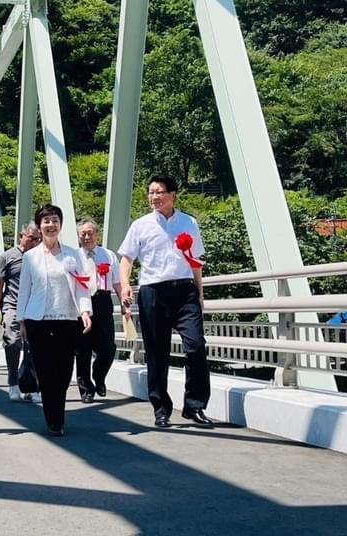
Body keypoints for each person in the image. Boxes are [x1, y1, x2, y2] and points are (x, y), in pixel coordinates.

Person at [118, 174, 212, 428]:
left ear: (172, 194)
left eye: (159, 192)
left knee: (195, 346)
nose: (154, 197)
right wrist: (125, 284)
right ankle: (161, 408)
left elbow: (196, 261)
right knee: (157, 353)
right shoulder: (141, 225)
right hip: (153, 292)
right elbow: (126, 258)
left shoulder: (188, 222)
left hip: (184, 291)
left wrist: (200, 292)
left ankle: (195, 406)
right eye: (150, 192)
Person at [17, 204, 92, 436]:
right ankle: (54, 420)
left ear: (61, 224)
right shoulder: (30, 257)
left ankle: (56, 414)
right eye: (46, 221)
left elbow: (82, 285)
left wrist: (85, 311)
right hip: (38, 320)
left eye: (55, 220)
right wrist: (21, 321)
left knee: (64, 371)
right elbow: (24, 290)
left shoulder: (73, 255)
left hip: (67, 319)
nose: (51, 225)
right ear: (39, 227)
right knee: (46, 372)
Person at [75, 218, 126, 403]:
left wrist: (124, 303)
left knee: (108, 348)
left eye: (90, 233)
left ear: (96, 234)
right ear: (78, 236)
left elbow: (118, 282)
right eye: (83, 234)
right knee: (83, 350)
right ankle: (85, 388)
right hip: (81, 303)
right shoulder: (73, 256)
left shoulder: (108, 255)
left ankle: (99, 375)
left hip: (103, 301)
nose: (87, 237)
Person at [0, 223, 42, 402]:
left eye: (38, 239)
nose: (35, 242)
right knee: (12, 343)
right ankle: (13, 383)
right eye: (31, 238)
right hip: (11, 305)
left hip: (34, 306)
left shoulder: (41, 255)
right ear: (21, 236)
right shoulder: (8, 256)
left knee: (35, 348)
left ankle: (32, 386)